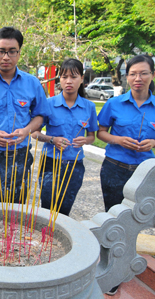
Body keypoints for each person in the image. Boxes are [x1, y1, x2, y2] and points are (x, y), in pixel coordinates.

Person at [98, 54, 155, 296]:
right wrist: (117, 139)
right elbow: (101, 132)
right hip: (114, 169)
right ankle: (112, 274)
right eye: (132, 74)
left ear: (152, 75)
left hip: (145, 175)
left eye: (143, 73)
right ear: (127, 77)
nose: (137, 78)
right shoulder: (114, 103)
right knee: (116, 224)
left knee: (144, 221)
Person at [0, 26, 50, 204]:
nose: (6, 57)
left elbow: (41, 116)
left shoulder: (32, 83)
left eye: (11, 51)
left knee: (18, 205)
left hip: (20, 154)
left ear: (19, 53)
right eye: (1, 51)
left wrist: (26, 131)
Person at [31, 59, 98, 215]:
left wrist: (86, 140)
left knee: (64, 210)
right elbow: (35, 133)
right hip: (50, 163)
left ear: (82, 78)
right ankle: (46, 238)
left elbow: (92, 136)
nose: (68, 81)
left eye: (73, 77)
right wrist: (52, 140)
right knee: (47, 208)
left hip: (75, 165)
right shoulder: (48, 104)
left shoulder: (89, 107)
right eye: (64, 76)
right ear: (59, 79)